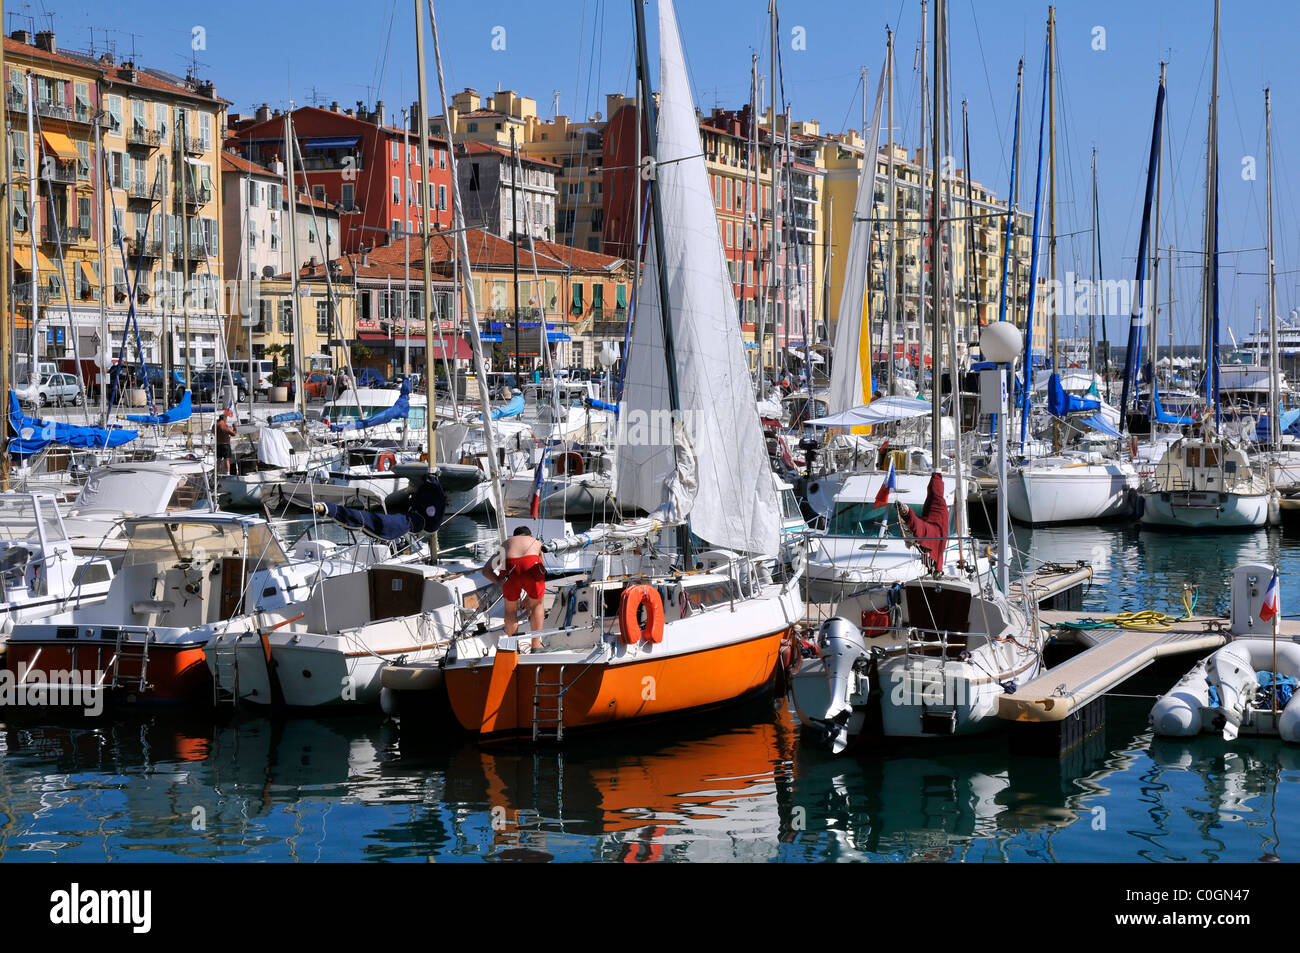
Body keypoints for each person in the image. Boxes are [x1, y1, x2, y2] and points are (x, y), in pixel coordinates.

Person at [483, 526, 547, 651]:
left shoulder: (505, 545)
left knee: (511, 610)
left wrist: (501, 583)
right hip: (531, 563)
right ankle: (536, 645)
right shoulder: (536, 542)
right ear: (530, 535)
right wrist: (530, 598)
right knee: (538, 605)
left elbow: (486, 570)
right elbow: (541, 571)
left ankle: (513, 647)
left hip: (509, 566)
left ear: (514, 536)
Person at [214, 408, 236, 475]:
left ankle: (217, 473)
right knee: (227, 460)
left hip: (218, 445)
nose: (226, 421)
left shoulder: (215, 425)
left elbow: (213, 431)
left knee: (218, 460)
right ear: (224, 419)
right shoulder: (224, 425)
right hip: (225, 444)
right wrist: (235, 427)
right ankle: (228, 473)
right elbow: (233, 434)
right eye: (226, 420)